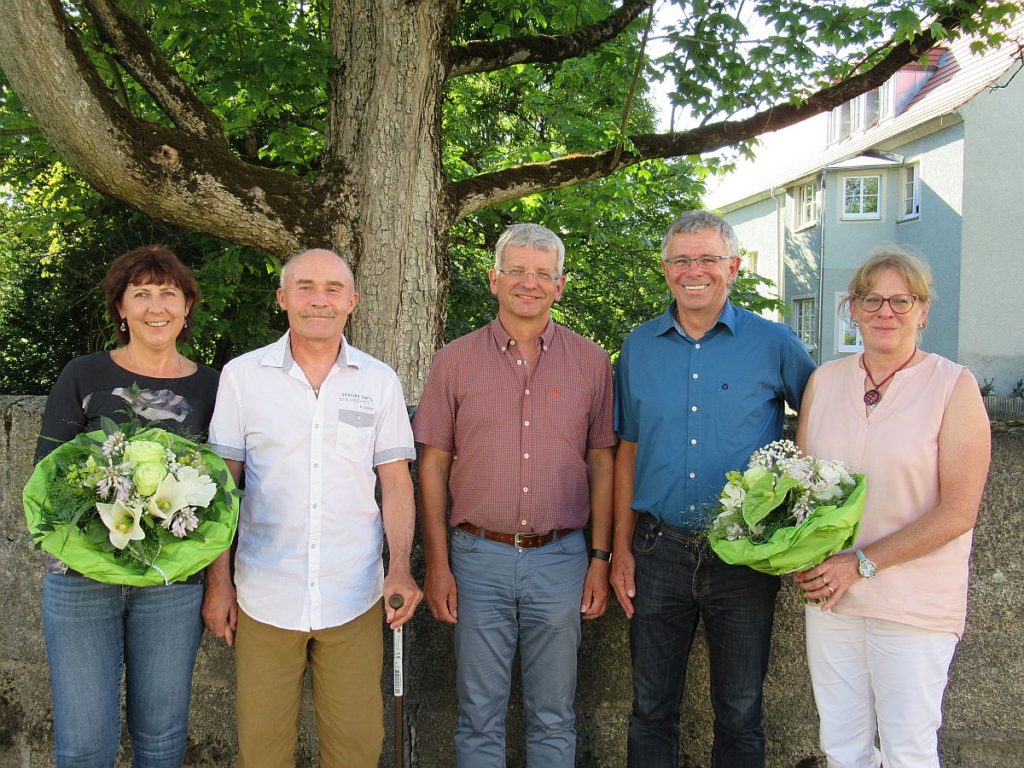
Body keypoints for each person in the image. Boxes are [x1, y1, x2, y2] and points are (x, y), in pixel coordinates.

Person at [201, 248, 422, 768]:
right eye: (305, 287)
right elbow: (220, 488)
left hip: (354, 594)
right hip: (264, 595)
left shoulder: (378, 380)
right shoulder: (242, 377)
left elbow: (396, 483)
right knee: (262, 751)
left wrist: (401, 569)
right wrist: (219, 582)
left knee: (356, 750)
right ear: (283, 298)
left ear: (352, 301)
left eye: (331, 289)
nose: (318, 300)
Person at [611, 210, 816, 767]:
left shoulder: (774, 343)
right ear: (665, 269)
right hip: (657, 551)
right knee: (650, 708)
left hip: (746, 555)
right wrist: (620, 549)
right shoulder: (638, 347)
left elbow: (826, 423)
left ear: (734, 267)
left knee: (741, 711)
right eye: (681, 260)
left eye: (707, 259)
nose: (693, 270)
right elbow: (626, 449)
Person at [413, 223, 615, 767]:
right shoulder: (452, 360)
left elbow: (603, 460)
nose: (530, 282)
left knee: (555, 715)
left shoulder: (593, 363)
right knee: (478, 715)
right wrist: (437, 563)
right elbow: (432, 465)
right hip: (477, 558)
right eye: (518, 271)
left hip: (562, 558)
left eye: (543, 273)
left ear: (561, 285)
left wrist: (600, 560)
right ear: (493, 279)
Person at [793, 247, 990, 768]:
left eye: (901, 300)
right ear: (852, 309)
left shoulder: (954, 386)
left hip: (913, 601)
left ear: (923, 311)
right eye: (872, 299)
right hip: (832, 596)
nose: (886, 312)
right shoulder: (825, 382)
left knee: (908, 749)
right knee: (842, 745)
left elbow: (958, 512)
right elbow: (804, 490)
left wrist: (860, 562)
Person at [35, 245, 218, 767]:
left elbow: (222, 489)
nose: (155, 306)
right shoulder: (83, 375)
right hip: (80, 581)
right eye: (141, 294)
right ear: (120, 308)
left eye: (168, 293)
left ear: (187, 306)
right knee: (84, 744)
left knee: (161, 741)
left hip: (170, 583)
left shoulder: (212, 386)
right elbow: (47, 477)